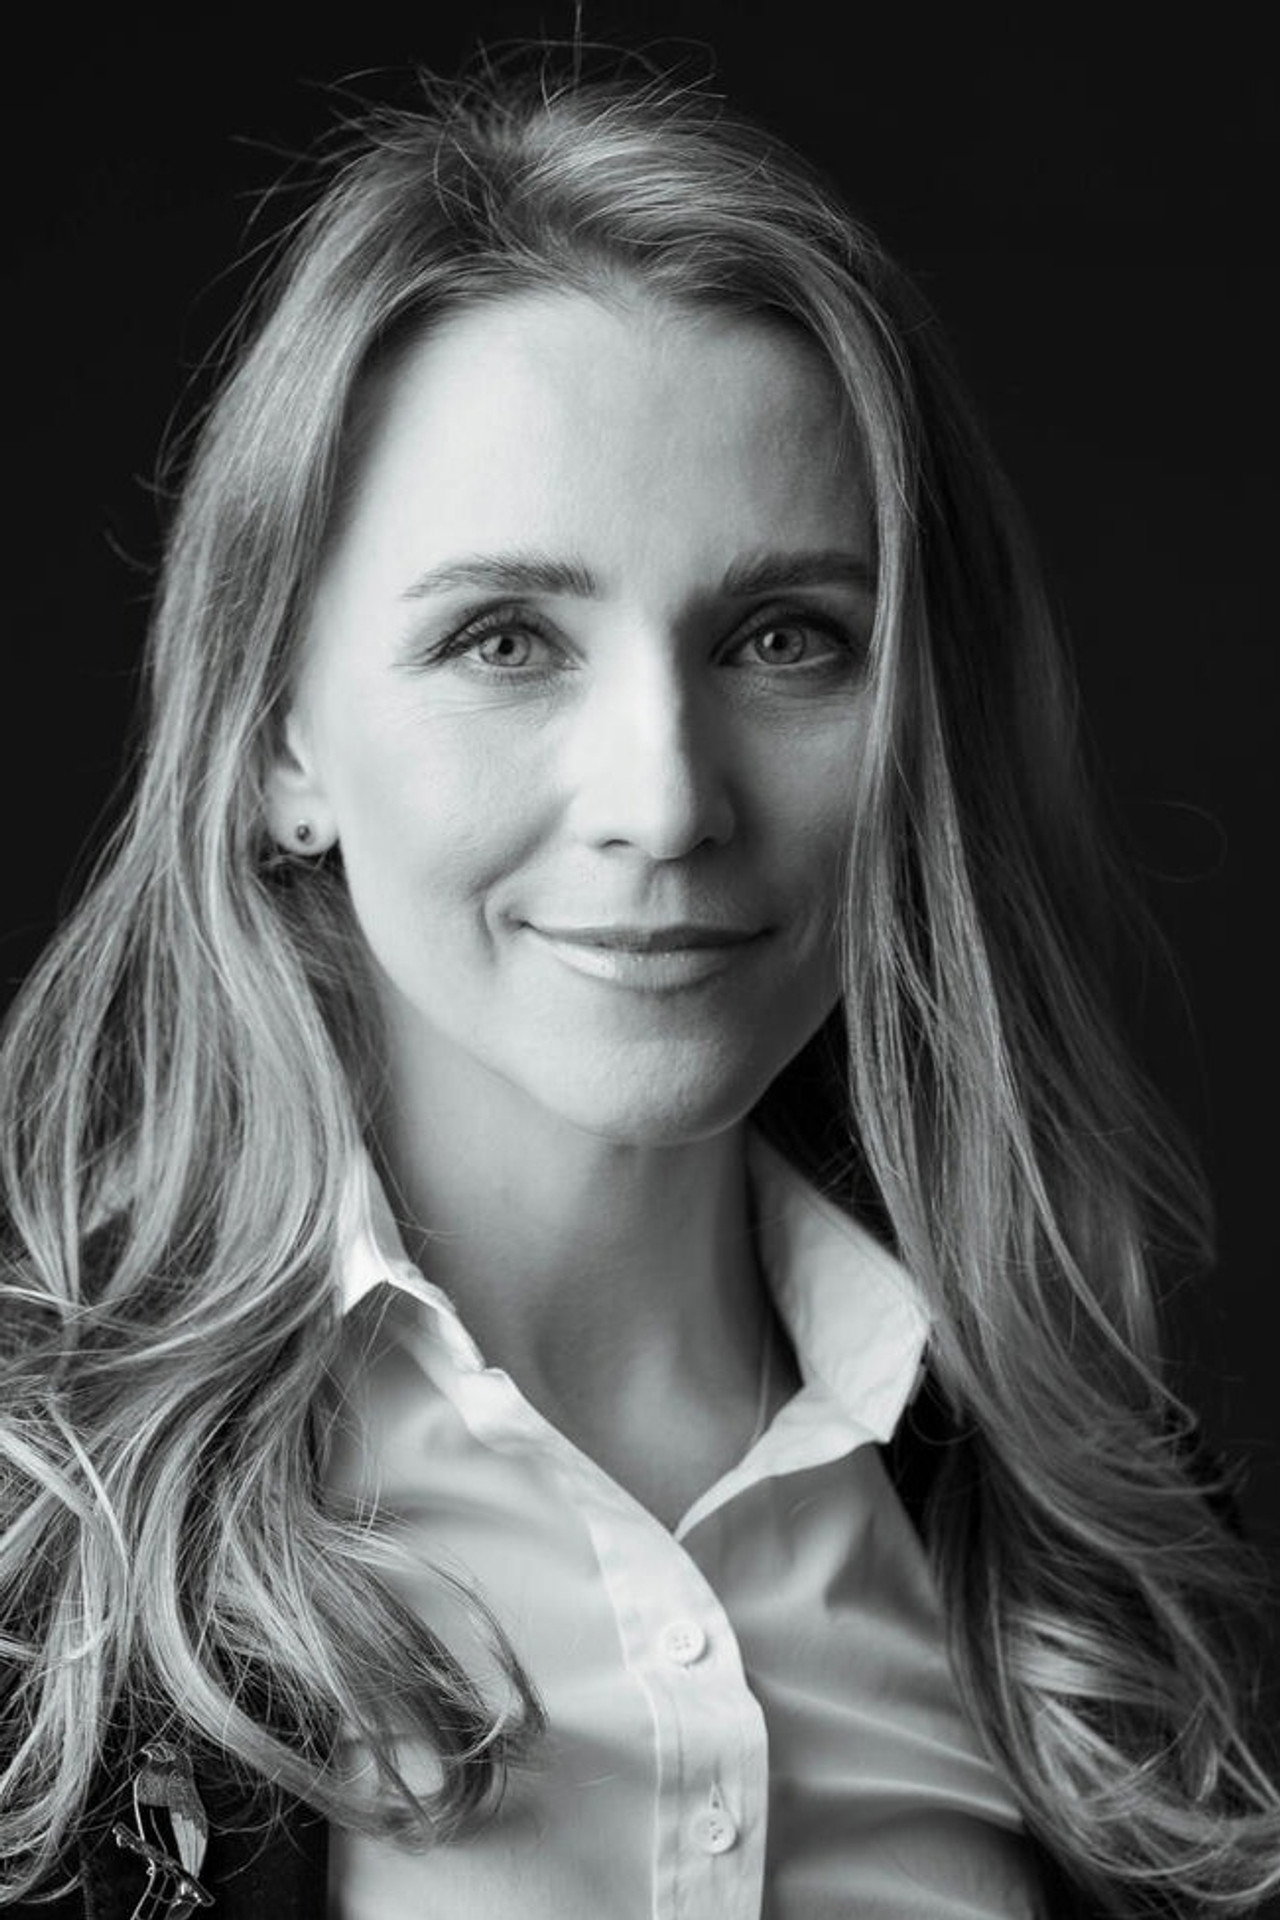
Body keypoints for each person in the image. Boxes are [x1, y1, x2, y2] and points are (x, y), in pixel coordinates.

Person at [1, 54, 1277, 1920]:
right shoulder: (36, 1540)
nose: (667, 803)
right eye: (505, 639)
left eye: (785, 639)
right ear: (278, 740)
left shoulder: (1107, 1553)